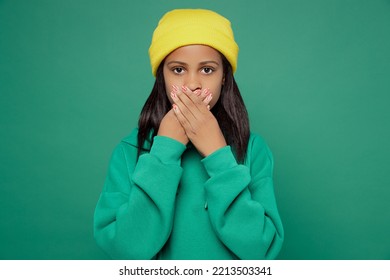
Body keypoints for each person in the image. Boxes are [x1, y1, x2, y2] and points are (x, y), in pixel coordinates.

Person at [94, 8, 284, 260]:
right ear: (161, 75)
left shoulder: (252, 149)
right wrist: (164, 150)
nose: (193, 84)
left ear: (224, 76)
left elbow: (262, 250)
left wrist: (218, 154)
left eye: (207, 70)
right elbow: (126, 251)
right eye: (178, 70)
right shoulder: (130, 150)